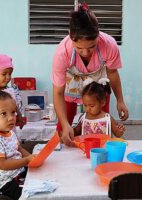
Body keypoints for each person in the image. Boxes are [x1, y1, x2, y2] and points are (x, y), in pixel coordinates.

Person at [52, 2, 129, 146]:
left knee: (101, 119)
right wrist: (65, 124)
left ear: (98, 36)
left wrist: (120, 100)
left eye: (92, 46)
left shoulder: (109, 45)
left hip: (98, 82)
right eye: (79, 48)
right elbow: (58, 93)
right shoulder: (62, 52)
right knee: (64, 129)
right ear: (70, 37)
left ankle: (102, 152)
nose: (86, 53)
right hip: (72, 81)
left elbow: (112, 73)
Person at [0, 90, 35, 199]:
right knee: (33, 195)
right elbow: (2, 165)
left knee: (40, 177)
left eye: (13, 112)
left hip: (15, 174)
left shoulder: (8, 132)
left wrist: (31, 159)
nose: (11, 118)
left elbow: (19, 149)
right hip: (3, 185)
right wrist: (26, 161)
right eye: (3, 114)